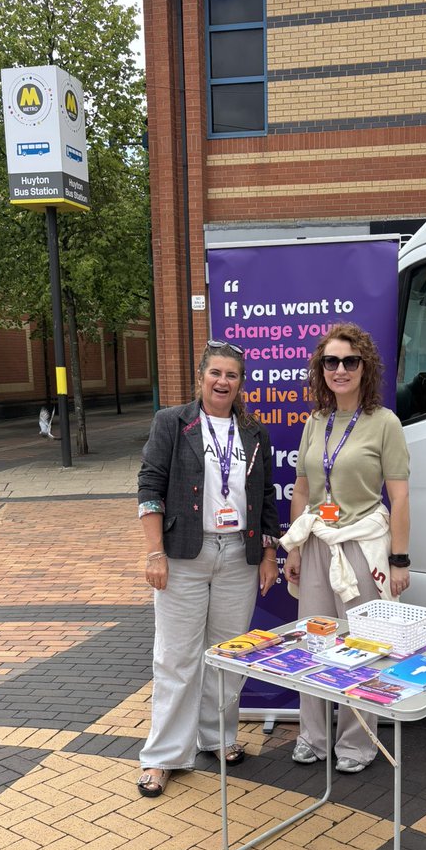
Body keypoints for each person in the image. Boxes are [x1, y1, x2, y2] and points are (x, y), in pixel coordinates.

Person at [135, 341, 280, 797]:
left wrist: (270, 551)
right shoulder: (171, 423)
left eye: (232, 375)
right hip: (183, 556)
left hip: (239, 555)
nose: (223, 382)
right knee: (176, 658)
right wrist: (154, 552)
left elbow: (266, 496)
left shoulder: (254, 431)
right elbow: (150, 485)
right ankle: (163, 757)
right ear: (201, 377)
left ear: (241, 382)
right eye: (215, 373)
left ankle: (217, 739)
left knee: (226, 655)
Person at [280, 323, 411, 773]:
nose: (340, 369)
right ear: (321, 368)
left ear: (364, 367)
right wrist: (293, 549)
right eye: (331, 361)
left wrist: (399, 558)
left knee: (364, 645)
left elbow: (400, 496)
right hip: (317, 542)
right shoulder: (315, 421)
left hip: (361, 547)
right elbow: (302, 488)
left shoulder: (385, 423)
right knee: (312, 644)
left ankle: (357, 744)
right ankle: (313, 737)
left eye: (349, 361)